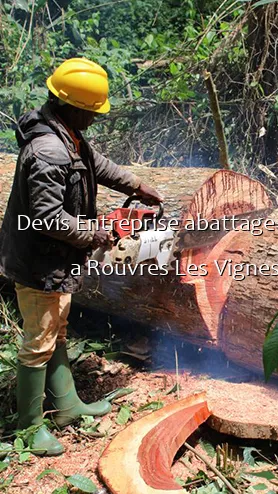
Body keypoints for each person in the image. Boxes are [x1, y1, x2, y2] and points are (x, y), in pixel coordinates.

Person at [0, 57, 163, 456]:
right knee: (38, 342)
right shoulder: (48, 151)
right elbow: (47, 218)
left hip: (56, 260)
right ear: (72, 106)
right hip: (39, 261)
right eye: (92, 112)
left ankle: (67, 405)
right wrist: (97, 232)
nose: (95, 119)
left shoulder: (66, 133)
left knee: (56, 330)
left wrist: (138, 186)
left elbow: (97, 165)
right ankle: (29, 428)